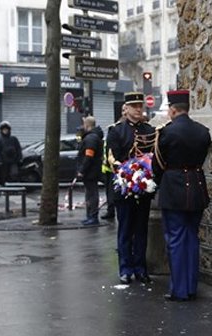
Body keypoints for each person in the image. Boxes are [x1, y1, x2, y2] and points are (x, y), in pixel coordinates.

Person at [153, 89, 211, 301]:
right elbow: (201, 158)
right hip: (196, 189)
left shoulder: (166, 132)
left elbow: (157, 164)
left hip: (173, 189)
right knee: (192, 239)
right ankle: (191, 287)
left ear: (173, 109)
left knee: (175, 240)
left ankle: (179, 290)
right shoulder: (203, 131)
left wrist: (161, 182)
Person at [107, 92, 156, 285]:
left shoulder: (149, 129)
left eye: (140, 106)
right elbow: (112, 159)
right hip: (125, 189)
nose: (138, 109)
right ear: (125, 109)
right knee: (126, 230)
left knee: (141, 230)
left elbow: (153, 156)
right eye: (134, 106)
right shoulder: (116, 131)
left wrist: (145, 176)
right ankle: (125, 269)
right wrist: (129, 174)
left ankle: (141, 268)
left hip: (143, 190)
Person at [101, 105, 127, 221]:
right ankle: (111, 210)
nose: (124, 112)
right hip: (110, 168)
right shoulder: (114, 129)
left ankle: (111, 210)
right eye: (123, 110)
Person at [77, 116, 104, 225]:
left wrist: (82, 170)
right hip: (92, 171)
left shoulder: (91, 139)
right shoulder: (92, 137)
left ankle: (93, 216)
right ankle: (90, 216)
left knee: (92, 194)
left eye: (84, 124)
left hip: (91, 172)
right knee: (90, 193)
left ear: (87, 125)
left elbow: (88, 156)